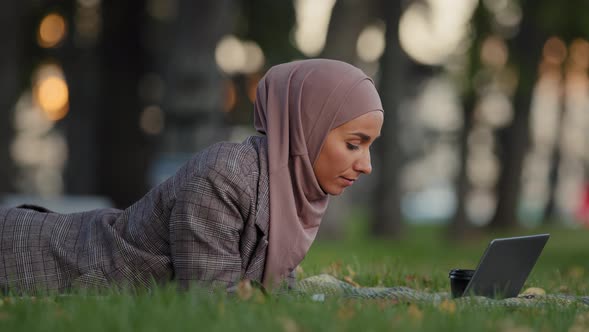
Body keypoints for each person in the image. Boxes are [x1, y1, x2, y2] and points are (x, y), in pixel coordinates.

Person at [0, 59, 384, 294]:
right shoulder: (224, 178)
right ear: (307, 128)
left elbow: (272, 294)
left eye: (369, 147)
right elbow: (212, 300)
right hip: (30, 258)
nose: (366, 164)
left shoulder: (288, 192)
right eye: (354, 144)